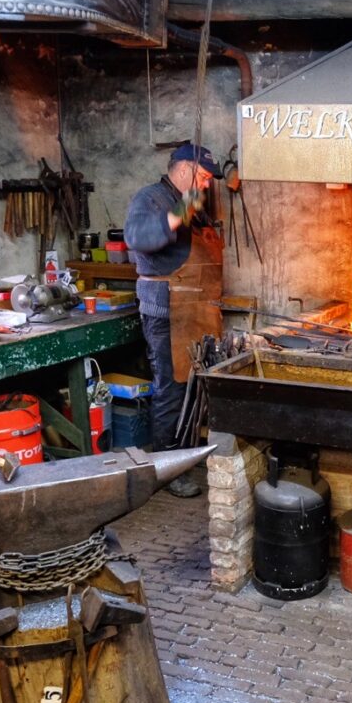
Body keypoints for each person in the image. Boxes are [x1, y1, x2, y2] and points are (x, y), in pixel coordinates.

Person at [125, 143, 223, 497]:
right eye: (203, 176)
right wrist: (180, 212)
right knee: (171, 389)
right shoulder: (149, 198)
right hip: (166, 311)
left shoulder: (191, 203)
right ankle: (165, 471)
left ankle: (182, 456)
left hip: (195, 311)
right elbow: (137, 238)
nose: (207, 185)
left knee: (193, 389)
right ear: (182, 169)